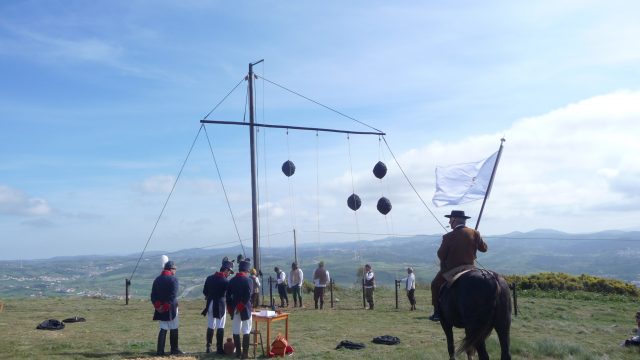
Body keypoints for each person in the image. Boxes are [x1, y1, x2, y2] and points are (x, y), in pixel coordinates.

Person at [429, 210, 488, 321]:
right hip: (471, 269)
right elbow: (484, 249)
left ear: (454, 220)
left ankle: (437, 312)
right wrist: (477, 237)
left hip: (453, 270)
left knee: (435, 284)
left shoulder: (448, 236)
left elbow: (441, 255)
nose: (449, 221)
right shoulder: (475, 233)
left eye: (450, 219)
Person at [150, 260, 184, 355]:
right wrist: (166, 306)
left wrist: (158, 306)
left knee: (163, 328)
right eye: (175, 269)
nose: (175, 270)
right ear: (170, 269)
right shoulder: (173, 279)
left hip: (160, 308)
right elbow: (173, 295)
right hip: (171, 308)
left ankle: (160, 351)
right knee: (174, 327)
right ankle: (174, 349)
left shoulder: (157, 279)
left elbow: (153, 295)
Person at [202, 259, 234, 354]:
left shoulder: (209, 278)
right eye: (229, 272)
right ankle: (219, 348)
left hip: (210, 303)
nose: (229, 274)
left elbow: (205, 292)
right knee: (220, 326)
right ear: (226, 270)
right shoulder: (225, 281)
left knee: (211, 325)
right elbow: (228, 296)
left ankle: (208, 347)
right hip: (220, 304)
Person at [227, 259, 254, 359]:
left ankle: (238, 352)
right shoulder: (249, 280)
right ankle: (245, 354)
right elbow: (247, 296)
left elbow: (228, 297)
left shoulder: (232, 280)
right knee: (246, 330)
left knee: (236, 330)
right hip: (245, 309)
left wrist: (231, 309)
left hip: (235, 309)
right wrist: (240, 306)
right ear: (247, 270)